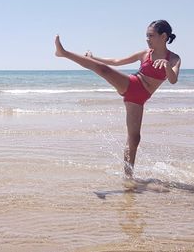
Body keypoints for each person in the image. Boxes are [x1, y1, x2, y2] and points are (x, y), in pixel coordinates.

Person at [54, 20, 181, 178]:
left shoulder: (174, 58)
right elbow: (116, 62)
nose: (147, 39)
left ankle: (128, 177)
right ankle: (63, 53)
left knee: (134, 138)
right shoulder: (144, 54)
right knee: (104, 69)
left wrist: (167, 66)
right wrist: (95, 57)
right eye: (146, 36)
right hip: (132, 85)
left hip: (139, 100)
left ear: (163, 36)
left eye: (151, 36)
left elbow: (173, 79)